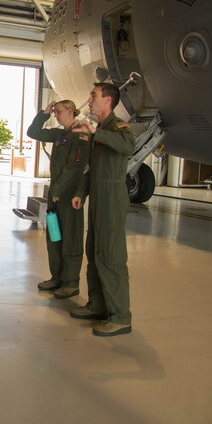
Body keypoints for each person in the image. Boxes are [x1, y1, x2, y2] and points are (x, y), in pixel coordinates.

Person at [70, 83, 135, 337]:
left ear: (107, 100)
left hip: (112, 198)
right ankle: (98, 305)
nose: (89, 100)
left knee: (111, 256)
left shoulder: (118, 127)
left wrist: (95, 132)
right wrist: (80, 193)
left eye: (93, 96)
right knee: (95, 253)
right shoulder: (100, 130)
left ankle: (120, 317)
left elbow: (127, 146)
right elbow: (91, 168)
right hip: (97, 197)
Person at [27, 100, 90, 300]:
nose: (56, 115)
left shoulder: (81, 131)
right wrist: (44, 114)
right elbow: (33, 132)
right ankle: (57, 277)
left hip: (69, 195)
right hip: (55, 193)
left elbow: (76, 166)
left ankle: (70, 282)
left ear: (71, 111)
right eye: (55, 112)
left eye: (59, 112)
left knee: (70, 239)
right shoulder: (59, 134)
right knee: (54, 236)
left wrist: (59, 190)